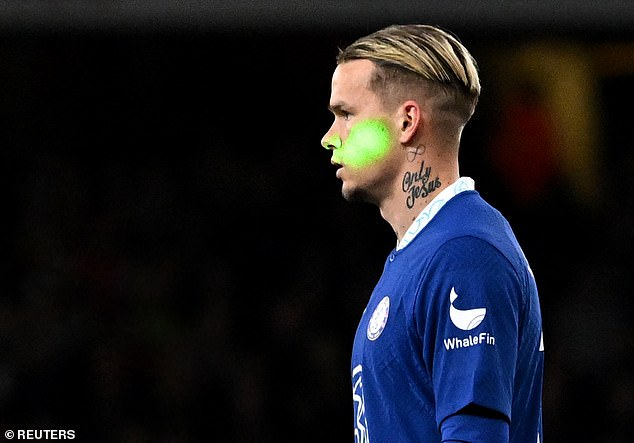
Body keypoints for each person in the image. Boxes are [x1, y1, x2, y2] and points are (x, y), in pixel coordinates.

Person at [321, 24, 544, 442]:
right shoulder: (428, 251)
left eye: (346, 115)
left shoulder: (464, 254)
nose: (329, 138)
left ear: (407, 121)